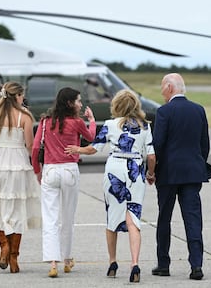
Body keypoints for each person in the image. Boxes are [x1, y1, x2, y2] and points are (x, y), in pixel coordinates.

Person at [65, 89, 156, 283]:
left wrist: (77, 149)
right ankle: (135, 263)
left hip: (115, 168)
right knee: (133, 219)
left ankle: (113, 262)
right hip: (135, 172)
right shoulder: (145, 127)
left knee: (112, 218)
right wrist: (150, 173)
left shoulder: (110, 125)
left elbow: (93, 148)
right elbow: (151, 156)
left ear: (117, 105)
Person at [31, 87, 96, 278]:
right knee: (68, 217)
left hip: (50, 170)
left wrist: (37, 171)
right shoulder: (76, 122)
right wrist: (91, 121)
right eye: (78, 100)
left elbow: (35, 148)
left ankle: (53, 262)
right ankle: (67, 259)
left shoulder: (45, 122)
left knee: (50, 218)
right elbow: (91, 138)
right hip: (69, 170)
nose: (80, 103)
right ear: (69, 103)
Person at [0, 81, 41, 273]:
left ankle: (3, 246)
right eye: (22, 95)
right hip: (18, 164)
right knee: (17, 210)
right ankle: (14, 257)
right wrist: (38, 166)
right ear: (18, 96)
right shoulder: (25, 116)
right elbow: (30, 145)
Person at [152, 73, 210, 280]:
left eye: (162, 87)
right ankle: (196, 266)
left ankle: (163, 264)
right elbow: (204, 145)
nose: (161, 92)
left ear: (169, 87)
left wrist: (152, 170)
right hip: (193, 173)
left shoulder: (164, 112)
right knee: (193, 219)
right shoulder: (199, 110)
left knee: (164, 219)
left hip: (168, 173)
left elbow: (157, 144)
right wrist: (196, 164)